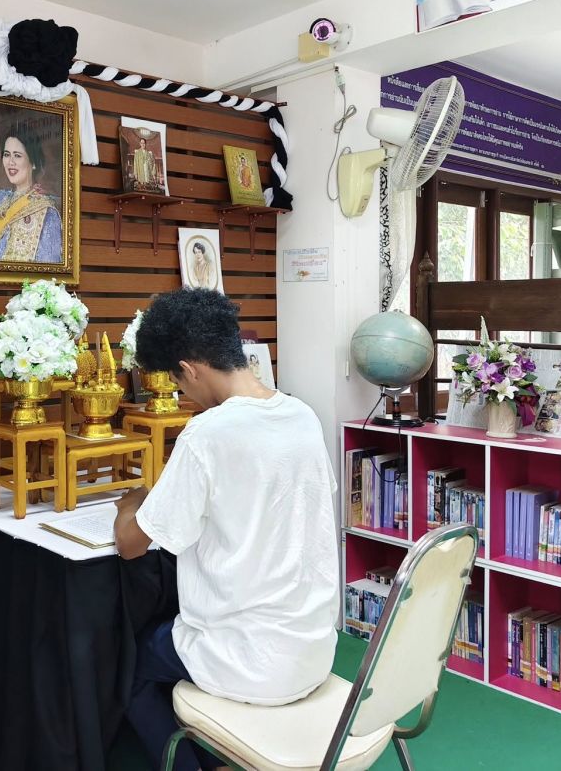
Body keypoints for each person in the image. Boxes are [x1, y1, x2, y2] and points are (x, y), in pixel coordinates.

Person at [113, 288, 339, 771]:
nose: (183, 395)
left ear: (190, 369)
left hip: (249, 657)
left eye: (178, 383)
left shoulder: (207, 433)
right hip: (315, 648)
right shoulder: (302, 415)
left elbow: (131, 546)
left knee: (127, 668)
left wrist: (131, 504)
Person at [0, 130, 62, 263]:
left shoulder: (46, 211)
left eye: (17, 156)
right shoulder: (2, 201)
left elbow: (49, 264)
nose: (10, 162)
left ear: (33, 162)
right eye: (6, 154)